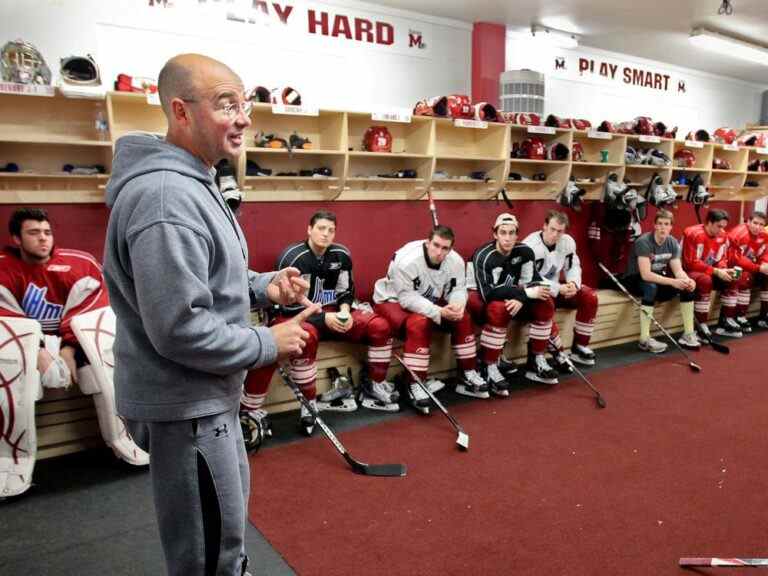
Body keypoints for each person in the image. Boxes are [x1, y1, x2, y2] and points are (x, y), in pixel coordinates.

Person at [102, 54, 315, 576]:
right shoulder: (165, 197)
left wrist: (267, 287)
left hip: (204, 399)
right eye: (226, 105)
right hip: (187, 407)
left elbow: (210, 282)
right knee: (208, 553)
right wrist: (270, 344)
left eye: (244, 104)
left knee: (222, 534)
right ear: (180, 110)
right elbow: (180, 327)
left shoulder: (195, 180)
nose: (243, 117)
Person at [0, 207, 142, 497]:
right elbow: (6, 321)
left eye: (47, 232)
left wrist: (68, 349)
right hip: (28, 345)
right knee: (9, 371)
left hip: (71, 339)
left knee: (110, 361)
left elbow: (94, 311)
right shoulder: (4, 268)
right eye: (33, 233)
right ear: (16, 238)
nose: (43, 239)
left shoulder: (79, 263)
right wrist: (39, 351)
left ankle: (130, 441)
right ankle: (11, 462)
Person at [240, 210, 397, 442]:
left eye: (331, 230)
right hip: (300, 316)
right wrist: (323, 319)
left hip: (333, 312)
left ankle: (375, 385)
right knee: (305, 337)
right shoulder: (293, 258)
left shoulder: (341, 254)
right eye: (321, 228)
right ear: (309, 229)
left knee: (380, 326)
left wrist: (345, 311)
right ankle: (309, 402)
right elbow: (285, 306)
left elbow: (346, 291)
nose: (326, 234)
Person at [373, 225, 489, 413]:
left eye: (445, 248)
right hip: (391, 299)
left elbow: (459, 289)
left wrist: (457, 304)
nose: (439, 252)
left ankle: (467, 373)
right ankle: (415, 383)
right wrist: (438, 311)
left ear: (450, 249)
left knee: (463, 317)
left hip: (426, 301)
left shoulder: (455, 261)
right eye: (435, 245)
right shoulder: (408, 260)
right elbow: (406, 298)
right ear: (427, 243)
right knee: (420, 322)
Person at [467, 213, 559, 388]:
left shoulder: (524, 251)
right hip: (476, 296)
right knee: (499, 308)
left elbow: (532, 283)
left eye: (511, 233)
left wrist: (522, 297)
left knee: (546, 302)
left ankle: (536, 359)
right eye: (503, 232)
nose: (507, 238)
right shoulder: (484, 256)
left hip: (509, 295)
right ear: (495, 234)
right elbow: (487, 294)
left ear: (517, 235)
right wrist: (523, 294)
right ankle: (489, 366)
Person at [522, 210, 599, 368]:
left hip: (559, 288)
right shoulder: (529, 246)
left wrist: (573, 284)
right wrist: (558, 288)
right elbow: (529, 278)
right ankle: (542, 356)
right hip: (533, 290)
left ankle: (580, 347)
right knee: (546, 302)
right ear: (544, 226)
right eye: (552, 229)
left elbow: (573, 266)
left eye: (560, 231)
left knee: (589, 296)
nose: (555, 234)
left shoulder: (567, 242)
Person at [622, 209, 698, 353]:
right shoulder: (643, 242)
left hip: (658, 278)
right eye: (660, 224)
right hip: (634, 279)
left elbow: (678, 271)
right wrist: (672, 282)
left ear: (671, 227)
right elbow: (645, 275)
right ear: (654, 225)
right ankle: (644, 339)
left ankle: (688, 334)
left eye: (667, 224)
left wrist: (687, 280)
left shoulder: (673, 243)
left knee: (687, 287)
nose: (663, 227)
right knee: (650, 287)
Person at [680, 209, 738, 338]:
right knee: (705, 280)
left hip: (708, 270)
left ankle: (726, 321)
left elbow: (721, 258)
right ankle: (701, 324)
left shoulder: (722, 235)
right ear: (709, 222)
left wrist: (723, 268)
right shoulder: (693, 234)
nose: (721, 230)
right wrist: (716, 271)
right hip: (687, 271)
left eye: (724, 226)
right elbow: (690, 263)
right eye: (719, 226)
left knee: (733, 277)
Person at [726, 211, 768, 333]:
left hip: (752, 266)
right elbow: (736, 259)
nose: (758, 227)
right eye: (755, 223)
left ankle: (764, 316)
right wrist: (758, 268)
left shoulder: (764, 235)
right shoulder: (739, 234)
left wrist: (765, 263)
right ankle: (738, 316)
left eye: (761, 224)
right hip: (732, 266)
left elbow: (765, 253)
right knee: (744, 278)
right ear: (748, 222)